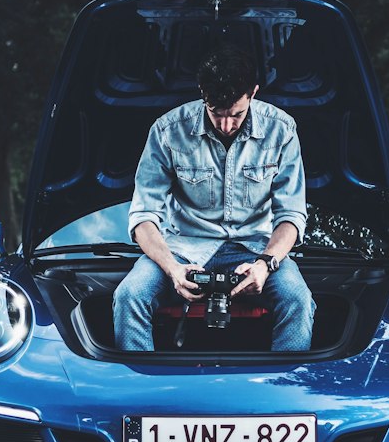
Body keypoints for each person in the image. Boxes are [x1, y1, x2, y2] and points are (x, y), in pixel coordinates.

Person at [113, 45, 316, 352]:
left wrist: (264, 264)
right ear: (202, 93)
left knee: (298, 300)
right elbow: (143, 216)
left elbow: (291, 214)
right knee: (129, 295)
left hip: (256, 249)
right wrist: (172, 269)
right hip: (184, 249)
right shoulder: (167, 131)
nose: (225, 125)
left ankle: (281, 396)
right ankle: (140, 397)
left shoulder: (282, 130)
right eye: (216, 113)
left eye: (236, 114)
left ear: (254, 93)